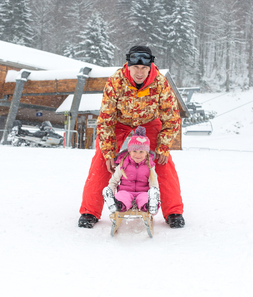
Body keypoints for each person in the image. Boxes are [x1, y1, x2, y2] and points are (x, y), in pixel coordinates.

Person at [78, 45, 185, 229]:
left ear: (150, 67)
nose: (140, 72)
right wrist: (109, 152)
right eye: (136, 67)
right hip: (119, 123)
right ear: (128, 65)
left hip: (149, 123)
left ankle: (173, 211)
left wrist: (163, 147)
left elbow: (171, 118)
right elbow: (106, 119)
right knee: (102, 161)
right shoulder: (115, 82)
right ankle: (90, 210)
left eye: (144, 68)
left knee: (162, 162)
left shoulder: (160, 83)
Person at [102, 126, 161, 215]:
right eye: (134, 151)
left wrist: (154, 191)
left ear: (146, 153)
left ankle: (150, 205)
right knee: (122, 197)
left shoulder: (149, 166)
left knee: (144, 198)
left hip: (143, 192)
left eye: (141, 152)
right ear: (129, 151)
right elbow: (114, 181)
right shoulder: (122, 164)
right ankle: (116, 204)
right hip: (126, 191)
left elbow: (153, 183)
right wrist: (111, 190)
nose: (138, 155)